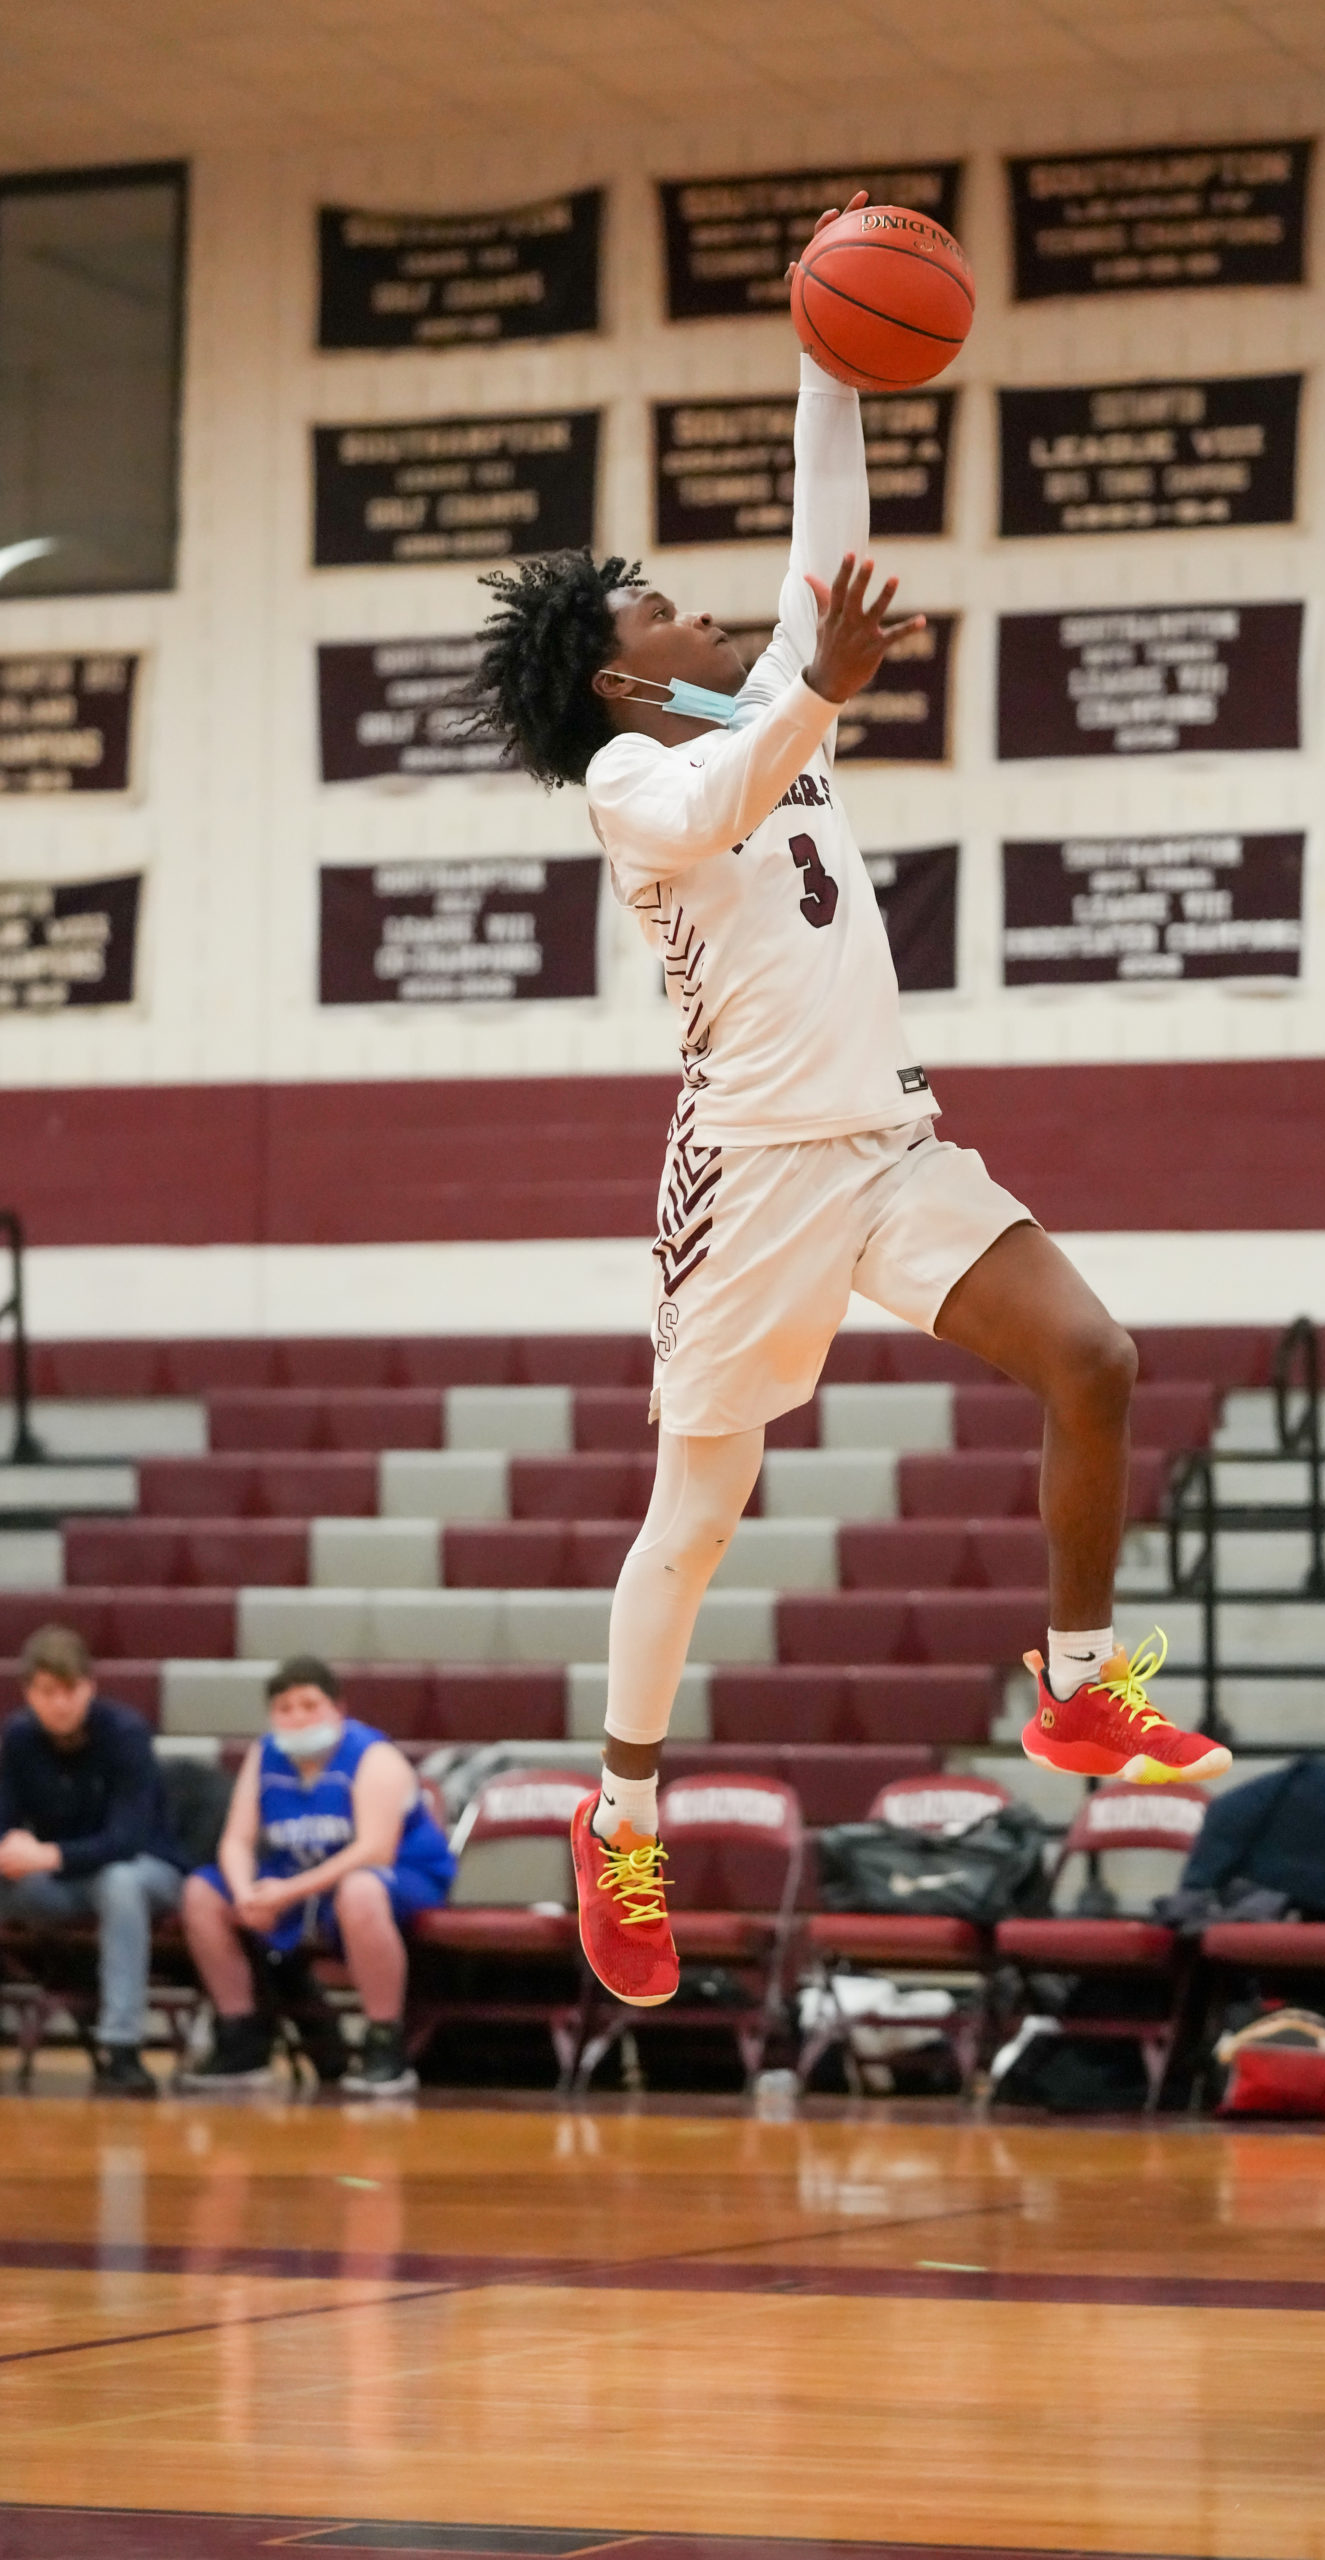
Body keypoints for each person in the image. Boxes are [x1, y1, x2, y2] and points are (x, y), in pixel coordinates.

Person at [468, 191, 1230, 2016]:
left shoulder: (747, 700)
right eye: (662, 597)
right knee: (699, 1515)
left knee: (1098, 1360)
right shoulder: (637, 776)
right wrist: (808, 691)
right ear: (614, 664)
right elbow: (721, 805)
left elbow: (831, 541)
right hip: (743, 1181)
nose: (702, 599)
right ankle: (621, 1816)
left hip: (886, 1143)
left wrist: (829, 356)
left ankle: (1074, 1683)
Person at [179, 1656, 454, 2096]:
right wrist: (247, 1894)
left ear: (338, 1709)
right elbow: (236, 1841)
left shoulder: (373, 1755)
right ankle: (242, 2036)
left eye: (310, 1705)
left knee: (360, 1890)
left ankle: (385, 2040)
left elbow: (374, 1851)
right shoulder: (264, 1755)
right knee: (201, 1893)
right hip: (303, 1876)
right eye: (286, 1708)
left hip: (400, 1875)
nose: (298, 1717)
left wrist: (285, 1893)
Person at [0, 1624, 183, 2097]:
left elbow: (127, 1839)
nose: (60, 1703)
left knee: (119, 1882)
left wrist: (44, 1853)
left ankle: (121, 2048)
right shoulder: (17, 1738)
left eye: (70, 1690)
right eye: (47, 1692)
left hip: (147, 1871)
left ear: (90, 1687)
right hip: (61, 1880)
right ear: (28, 1694)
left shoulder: (125, 1733)